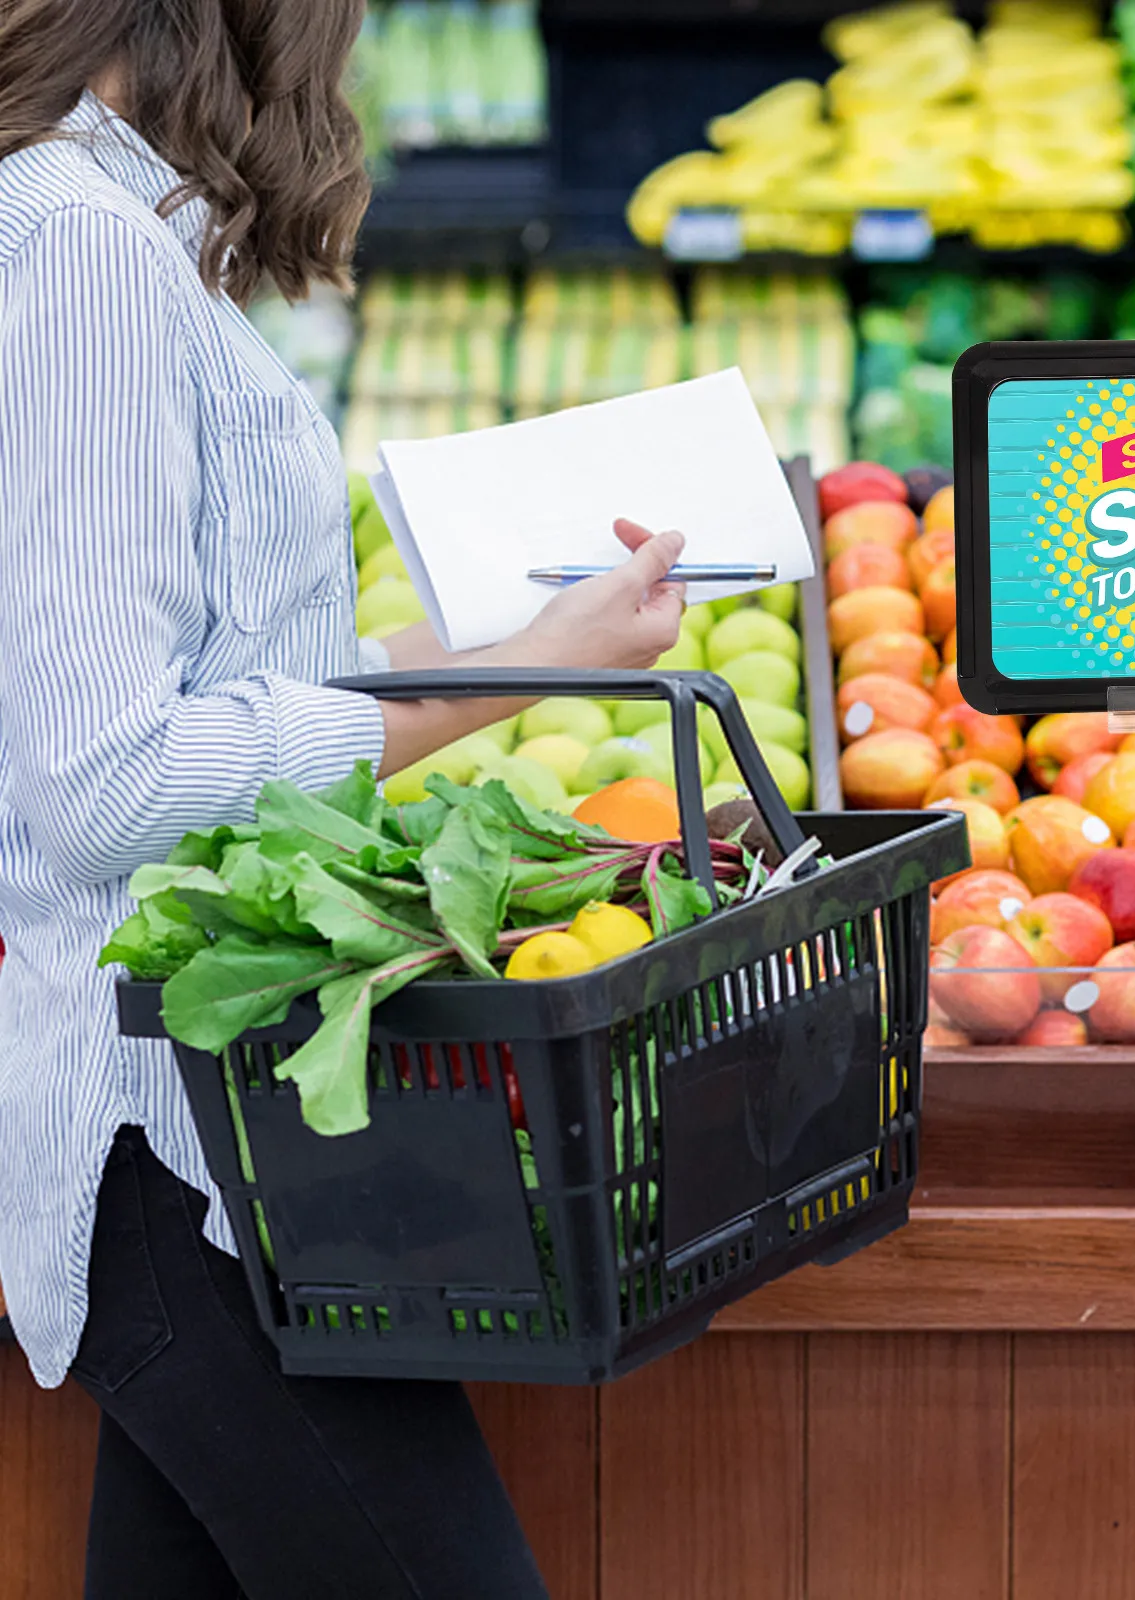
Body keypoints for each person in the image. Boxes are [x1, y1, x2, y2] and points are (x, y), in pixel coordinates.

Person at [0, 3, 686, 1594]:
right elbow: (107, 781)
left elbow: (230, 679)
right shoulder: (82, 251)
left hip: (225, 1130)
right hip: (175, 1144)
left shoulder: (104, 228)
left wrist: (527, 642)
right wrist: (508, 685)